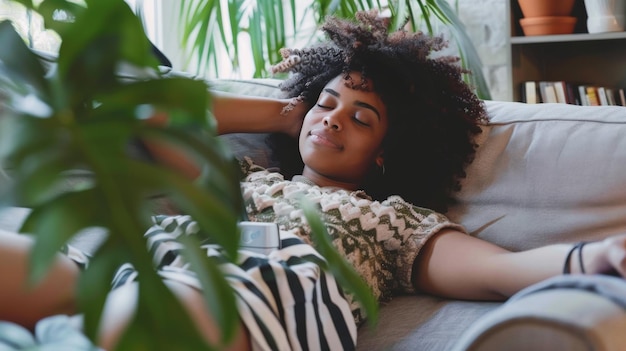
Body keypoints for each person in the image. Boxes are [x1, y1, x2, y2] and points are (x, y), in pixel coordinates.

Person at [2, 9, 626, 351]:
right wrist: (292, 109)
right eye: (326, 104)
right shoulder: (245, 176)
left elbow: (496, 271)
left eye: (362, 118)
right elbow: (152, 113)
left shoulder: (390, 222)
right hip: (152, 255)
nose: (334, 121)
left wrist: (596, 255)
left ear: (385, 155)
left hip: (263, 291)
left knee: (130, 325)